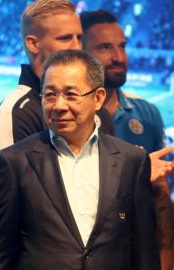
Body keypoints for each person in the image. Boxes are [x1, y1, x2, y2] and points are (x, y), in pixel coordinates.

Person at [0, 49, 160, 270]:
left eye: (70, 94)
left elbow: (144, 250)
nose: (58, 105)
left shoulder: (132, 160)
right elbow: (1, 253)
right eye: (50, 95)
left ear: (98, 99)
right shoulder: (15, 161)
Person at [81, 10, 174, 269]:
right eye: (105, 47)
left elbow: (161, 197)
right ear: (81, 51)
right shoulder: (68, 118)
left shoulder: (147, 114)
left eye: (122, 46)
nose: (118, 57)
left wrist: (166, 257)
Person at [0, 0, 114, 170]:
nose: (76, 46)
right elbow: (18, 190)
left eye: (79, 38)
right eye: (65, 38)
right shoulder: (15, 113)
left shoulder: (94, 104)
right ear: (33, 44)